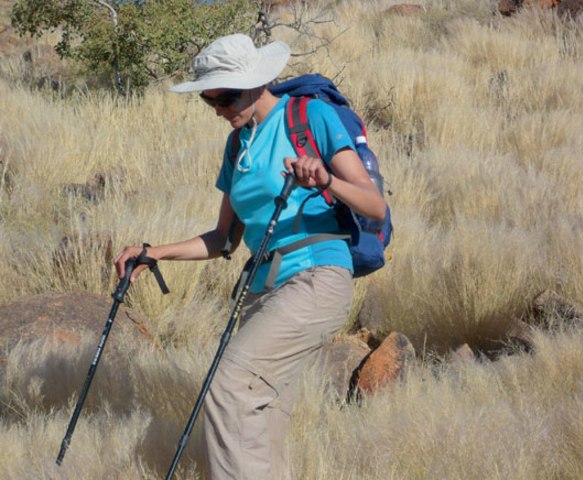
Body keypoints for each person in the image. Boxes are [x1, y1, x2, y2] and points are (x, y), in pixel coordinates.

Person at [113, 33, 386, 480]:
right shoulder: (237, 146)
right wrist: (152, 253)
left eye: (227, 97)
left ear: (257, 83)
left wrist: (325, 182)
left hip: (316, 275)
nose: (220, 109)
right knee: (264, 412)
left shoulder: (308, 117)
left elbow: (375, 205)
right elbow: (223, 239)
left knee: (228, 388)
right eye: (210, 101)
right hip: (262, 291)